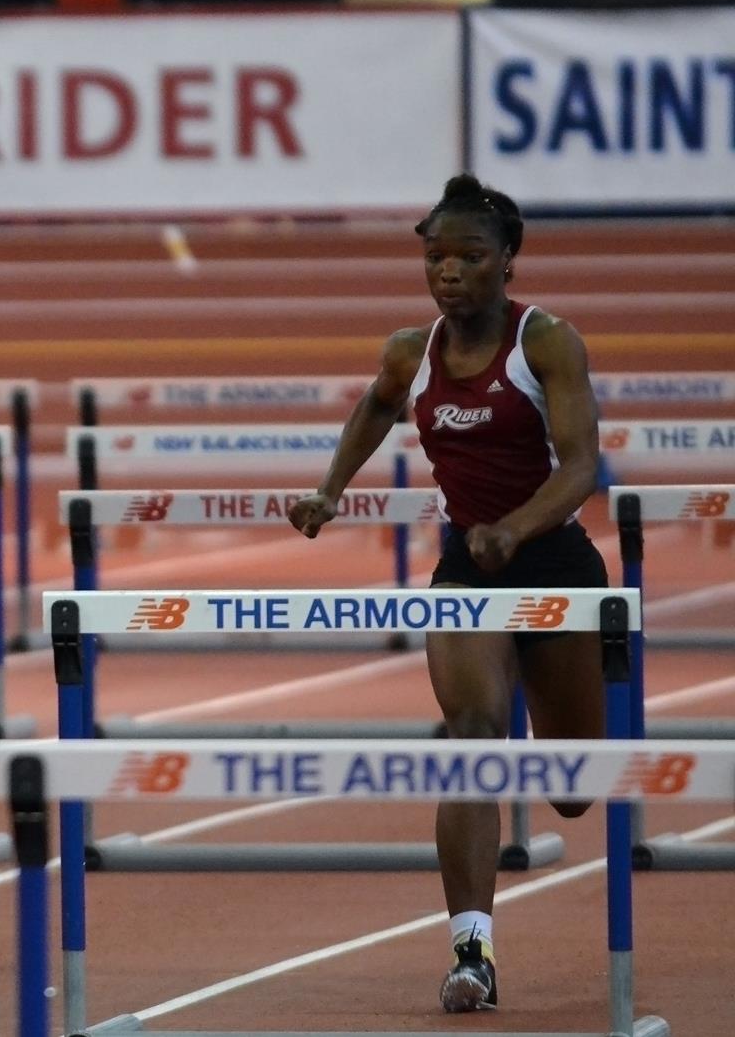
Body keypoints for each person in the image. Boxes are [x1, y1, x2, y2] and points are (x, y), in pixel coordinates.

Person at [288, 174, 604, 1014]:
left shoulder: (547, 343)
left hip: (558, 572)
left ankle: (552, 721)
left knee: (575, 786)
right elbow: (375, 406)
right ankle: (472, 951)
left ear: (508, 262)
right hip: (466, 576)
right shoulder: (409, 351)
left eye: (470, 257)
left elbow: (580, 467)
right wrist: (329, 489)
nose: (450, 272)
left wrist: (520, 527)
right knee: (471, 737)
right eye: (437, 257)